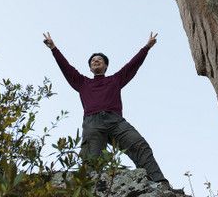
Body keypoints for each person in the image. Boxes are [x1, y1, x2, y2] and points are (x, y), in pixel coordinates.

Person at [43, 31, 172, 188]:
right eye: (93, 61)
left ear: (105, 66)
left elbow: (132, 66)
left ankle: (159, 183)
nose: (96, 61)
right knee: (91, 160)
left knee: (139, 145)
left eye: (100, 60)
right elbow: (67, 68)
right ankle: (91, 190)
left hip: (115, 121)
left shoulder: (115, 80)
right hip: (92, 123)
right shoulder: (82, 82)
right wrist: (54, 48)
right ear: (90, 67)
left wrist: (146, 47)